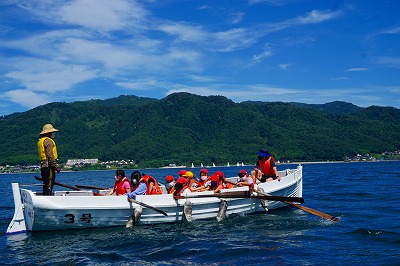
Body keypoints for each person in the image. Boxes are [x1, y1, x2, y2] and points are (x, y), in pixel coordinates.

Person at [37, 124, 61, 196]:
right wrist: (55, 166)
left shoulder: (41, 141)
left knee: (46, 184)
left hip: (43, 165)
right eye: (52, 132)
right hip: (49, 166)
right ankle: (47, 198)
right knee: (49, 185)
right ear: (49, 133)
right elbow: (50, 155)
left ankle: (45, 196)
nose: (53, 134)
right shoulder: (48, 141)